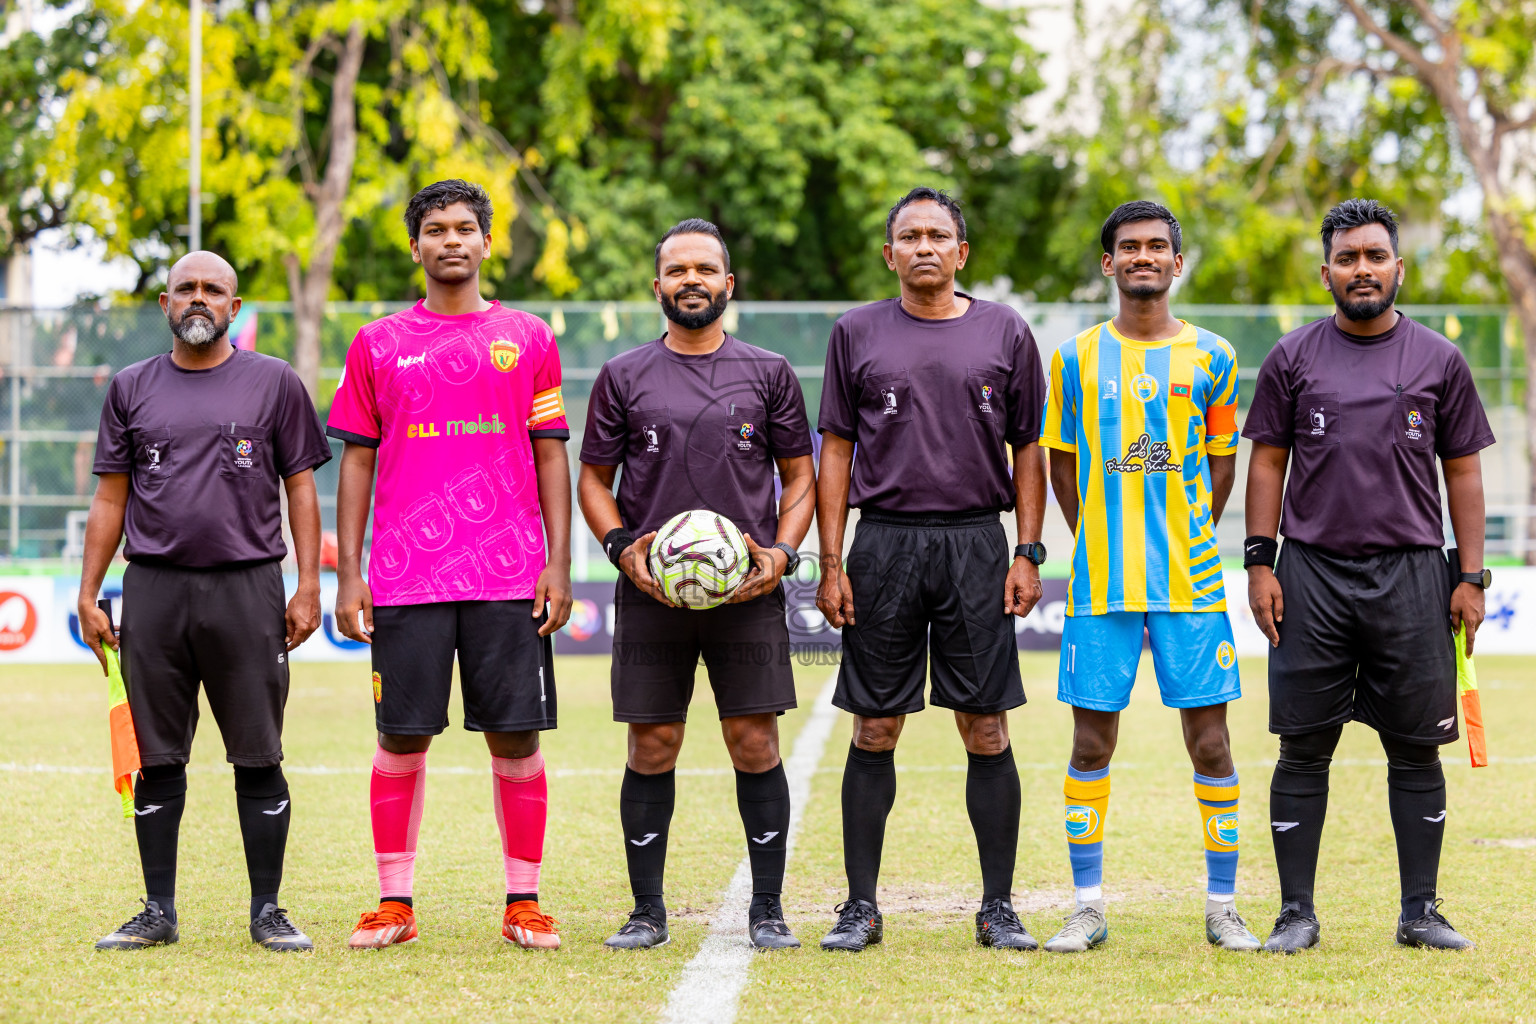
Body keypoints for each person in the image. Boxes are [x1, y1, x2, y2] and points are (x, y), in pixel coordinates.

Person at [328, 180, 573, 950]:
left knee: (517, 741)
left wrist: (558, 563)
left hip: (508, 574)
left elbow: (550, 453)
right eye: (436, 229)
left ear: (488, 242)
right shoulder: (376, 343)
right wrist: (348, 572)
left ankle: (523, 900)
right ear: (416, 247)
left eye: (466, 228)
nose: (452, 241)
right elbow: (357, 463)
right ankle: (395, 904)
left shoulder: (529, 336)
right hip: (405, 576)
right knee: (401, 739)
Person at [1243, 198, 1493, 953]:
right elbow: (1267, 464)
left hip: (1415, 574)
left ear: (1397, 267)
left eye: (1374, 256)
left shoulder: (1438, 360)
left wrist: (1471, 575)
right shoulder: (1293, 356)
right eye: (1347, 259)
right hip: (1311, 573)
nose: (1362, 270)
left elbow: (1465, 473)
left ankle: (1420, 912)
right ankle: (1296, 913)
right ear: (1327, 274)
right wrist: (1261, 561)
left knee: (1416, 749)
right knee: (1303, 745)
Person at [815, 187, 1048, 952]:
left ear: (961, 252)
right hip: (881, 544)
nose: (923, 245)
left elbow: (1029, 450)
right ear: (890, 255)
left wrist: (1026, 549)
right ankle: (860, 907)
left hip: (978, 543)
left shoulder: (1005, 331)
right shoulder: (856, 332)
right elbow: (838, 451)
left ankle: (998, 907)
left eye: (937, 235)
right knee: (875, 725)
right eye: (908, 236)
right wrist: (830, 560)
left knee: (984, 726)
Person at [578, 219, 817, 951]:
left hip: (746, 595)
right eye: (676, 270)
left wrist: (778, 555)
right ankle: (647, 912)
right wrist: (622, 549)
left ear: (727, 283)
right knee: (653, 742)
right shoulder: (623, 375)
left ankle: (767, 909)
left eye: (705, 269)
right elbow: (593, 477)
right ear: (658, 287)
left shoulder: (770, 371)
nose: (691, 280)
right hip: (652, 593)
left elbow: (801, 477)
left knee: (754, 741)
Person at [82, 250, 331, 952]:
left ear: (235, 306)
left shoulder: (275, 383)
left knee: (258, 754)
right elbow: (110, 496)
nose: (199, 299)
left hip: (248, 587)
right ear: (165, 304)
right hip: (153, 589)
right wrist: (88, 590)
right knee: (159, 758)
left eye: (213, 290)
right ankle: (157, 911)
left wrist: (309, 584)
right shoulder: (131, 387)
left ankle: (268, 911)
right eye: (185, 289)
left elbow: (302, 488)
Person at [1037, 201, 1258, 954]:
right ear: (1109, 264)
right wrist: (1099, 532)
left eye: (1157, 246)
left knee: (1212, 747)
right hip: (1101, 584)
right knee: (1092, 744)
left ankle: (1223, 907)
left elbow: (1223, 464)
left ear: (1176, 262)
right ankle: (1087, 906)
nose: (1142, 256)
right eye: (1128, 247)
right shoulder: (1072, 359)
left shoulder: (1215, 356)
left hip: (1192, 584)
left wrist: (1186, 527)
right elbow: (1063, 465)